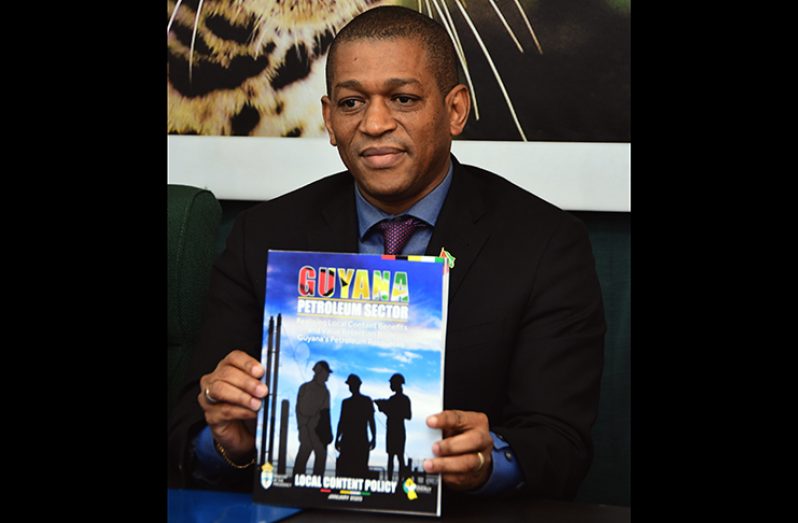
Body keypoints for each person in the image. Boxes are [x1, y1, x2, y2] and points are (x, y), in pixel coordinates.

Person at [168, 5, 605, 500]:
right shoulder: (264, 235)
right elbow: (189, 426)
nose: (374, 124)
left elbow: (561, 445)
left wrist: (489, 461)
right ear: (329, 121)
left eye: (402, 98)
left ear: (455, 110)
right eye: (352, 103)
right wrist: (228, 442)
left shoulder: (545, 244)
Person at [293, 360, 332, 476]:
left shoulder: (325, 391)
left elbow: (326, 413)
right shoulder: (305, 388)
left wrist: (327, 433)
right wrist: (302, 427)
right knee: (304, 454)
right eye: (326, 373)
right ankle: (297, 481)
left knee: (321, 456)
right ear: (319, 372)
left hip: (318, 431)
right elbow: (299, 410)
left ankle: (316, 483)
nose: (327, 376)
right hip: (306, 428)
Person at [334, 374, 377, 477]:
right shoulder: (350, 402)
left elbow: (371, 421)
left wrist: (374, 438)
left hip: (355, 441)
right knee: (353, 469)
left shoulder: (353, 402)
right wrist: (337, 438)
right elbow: (342, 422)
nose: (350, 387)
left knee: (358, 469)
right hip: (353, 441)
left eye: (351, 385)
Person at [375, 373, 412, 481]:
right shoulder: (393, 399)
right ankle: (391, 480)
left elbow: (408, 416)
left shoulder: (403, 399)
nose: (390, 385)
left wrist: (388, 409)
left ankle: (398, 481)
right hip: (393, 431)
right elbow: (390, 413)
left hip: (398, 431)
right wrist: (383, 408)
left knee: (398, 457)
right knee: (391, 457)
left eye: (392, 383)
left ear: (397, 384)